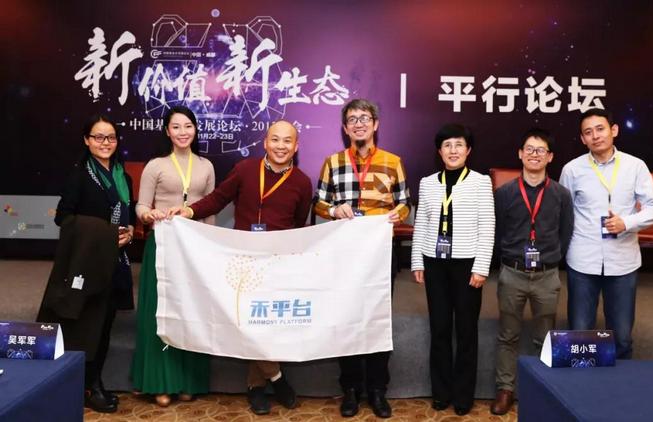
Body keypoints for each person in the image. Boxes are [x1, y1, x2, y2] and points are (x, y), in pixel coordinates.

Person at [169, 120, 312, 415]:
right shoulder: (245, 169)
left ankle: (256, 385)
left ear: (296, 146)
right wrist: (190, 210)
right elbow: (218, 199)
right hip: (243, 261)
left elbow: (299, 225)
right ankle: (275, 379)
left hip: (279, 263)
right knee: (249, 322)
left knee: (270, 323)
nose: (281, 146)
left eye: (287, 141)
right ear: (265, 142)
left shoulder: (302, 182)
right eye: (275, 139)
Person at [314, 98, 410, 418]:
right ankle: (351, 389)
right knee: (348, 318)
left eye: (365, 118)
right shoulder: (333, 162)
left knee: (378, 317)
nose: (359, 124)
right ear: (345, 128)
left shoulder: (392, 161)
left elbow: (405, 202)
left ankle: (378, 389)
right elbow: (318, 202)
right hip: (345, 253)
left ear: (375, 124)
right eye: (352, 119)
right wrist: (333, 210)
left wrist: (397, 213)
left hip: (381, 252)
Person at [38, 114, 135, 413]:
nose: (105, 143)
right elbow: (63, 218)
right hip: (87, 264)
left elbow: (127, 216)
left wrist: (130, 232)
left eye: (111, 137)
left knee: (105, 326)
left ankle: (95, 382)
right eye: (98, 137)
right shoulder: (79, 175)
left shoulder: (123, 177)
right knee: (86, 326)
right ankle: (83, 386)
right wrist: (105, 234)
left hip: (115, 263)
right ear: (86, 140)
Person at [559, 108, 653, 359]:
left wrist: (626, 222)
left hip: (623, 262)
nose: (595, 136)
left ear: (613, 130)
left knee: (622, 336)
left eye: (600, 129)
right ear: (582, 139)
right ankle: (581, 384)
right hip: (583, 261)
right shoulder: (572, 169)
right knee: (579, 333)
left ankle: (620, 383)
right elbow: (563, 212)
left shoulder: (635, 166)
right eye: (588, 132)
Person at [130, 106, 215, 407]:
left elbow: (210, 210)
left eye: (188, 126)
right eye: (176, 127)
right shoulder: (156, 165)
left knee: (190, 311)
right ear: (167, 131)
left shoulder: (206, 166)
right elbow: (140, 206)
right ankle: (159, 382)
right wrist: (148, 215)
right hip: (163, 245)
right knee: (161, 311)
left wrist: (210, 247)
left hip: (194, 249)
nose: (182, 132)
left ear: (195, 129)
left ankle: (189, 380)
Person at [410, 123, 494, 416]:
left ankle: (463, 395)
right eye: (447, 145)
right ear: (439, 151)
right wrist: (417, 260)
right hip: (434, 263)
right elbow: (421, 223)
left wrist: (481, 267)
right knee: (440, 329)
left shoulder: (481, 182)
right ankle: (441, 392)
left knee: (466, 330)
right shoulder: (428, 182)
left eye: (459, 145)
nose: (453, 150)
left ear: (468, 150)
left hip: (467, 265)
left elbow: (487, 226)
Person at [490, 128, 574, 415]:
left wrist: (552, 258)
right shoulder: (504, 193)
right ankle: (505, 389)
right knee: (508, 335)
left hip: (547, 275)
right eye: (529, 149)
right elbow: (498, 230)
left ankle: (542, 388)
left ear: (550, 157)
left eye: (541, 150)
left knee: (544, 336)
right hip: (512, 272)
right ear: (520, 154)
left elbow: (566, 232)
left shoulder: (561, 194)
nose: (534, 154)